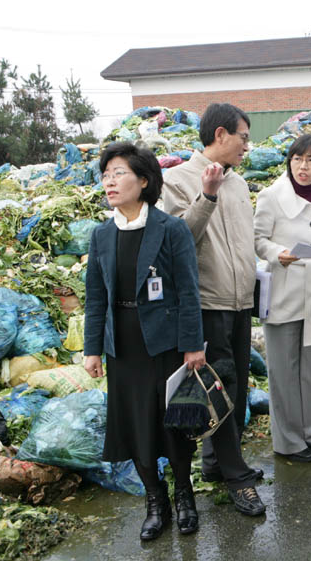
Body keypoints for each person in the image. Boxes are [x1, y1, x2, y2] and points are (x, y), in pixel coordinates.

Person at [84, 142, 205, 540]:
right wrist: (92, 349)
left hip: (166, 343)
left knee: (175, 424)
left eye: (119, 173)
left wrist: (193, 344)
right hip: (123, 345)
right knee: (137, 426)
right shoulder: (102, 235)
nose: (110, 182)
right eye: (106, 175)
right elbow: (96, 296)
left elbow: (188, 291)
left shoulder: (170, 229)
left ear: (144, 180)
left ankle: (185, 494)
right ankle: (156, 501)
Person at [162, 103, 265, 515]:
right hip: (206, 303)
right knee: (219, 389)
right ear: (220, 135)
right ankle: (238, 479)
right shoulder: (177, 179)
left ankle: (215, 464)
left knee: (236, 388)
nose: (247, 145)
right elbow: (177, 240)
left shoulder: (239, 184)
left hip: (240, 302)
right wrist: (206, 195)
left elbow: (246, 242)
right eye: (243, 137)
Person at [254, 134, 311, 462]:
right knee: (283, 371)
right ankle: (289, 442)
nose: (303, 167)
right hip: (283, 292)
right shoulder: (271, 196)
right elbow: (258, 239)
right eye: (297, 159)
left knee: (309, 366)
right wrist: (279, 252)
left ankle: (310, 432)